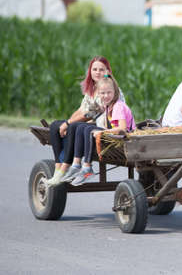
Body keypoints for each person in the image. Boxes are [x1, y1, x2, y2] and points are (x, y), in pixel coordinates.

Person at [47, 56, 124, 186]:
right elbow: (81, 109)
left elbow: (90, 114)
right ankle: (58, 169)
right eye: (94, 69)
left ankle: (68, 167)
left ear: (107, 72)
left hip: (107, 125)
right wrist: (68, 121)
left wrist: (68, 124)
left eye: (101, 69)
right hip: (98, 123)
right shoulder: (93, 88)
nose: (97, 72)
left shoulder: (107, 89)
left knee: (74, 126)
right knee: (55, 125)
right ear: (90, 71)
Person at [68, 76, 136, 186]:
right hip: (117, 137)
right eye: (102, 93)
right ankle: (76, 165)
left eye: (109, 92)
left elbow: (123, 129)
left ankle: (87, 167)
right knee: (82, 127)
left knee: (89, 130)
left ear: (115, 91)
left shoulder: (118, 106)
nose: (106, 96)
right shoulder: (108, 105)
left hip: (126, 140)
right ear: (98, 94)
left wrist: (102, 133)